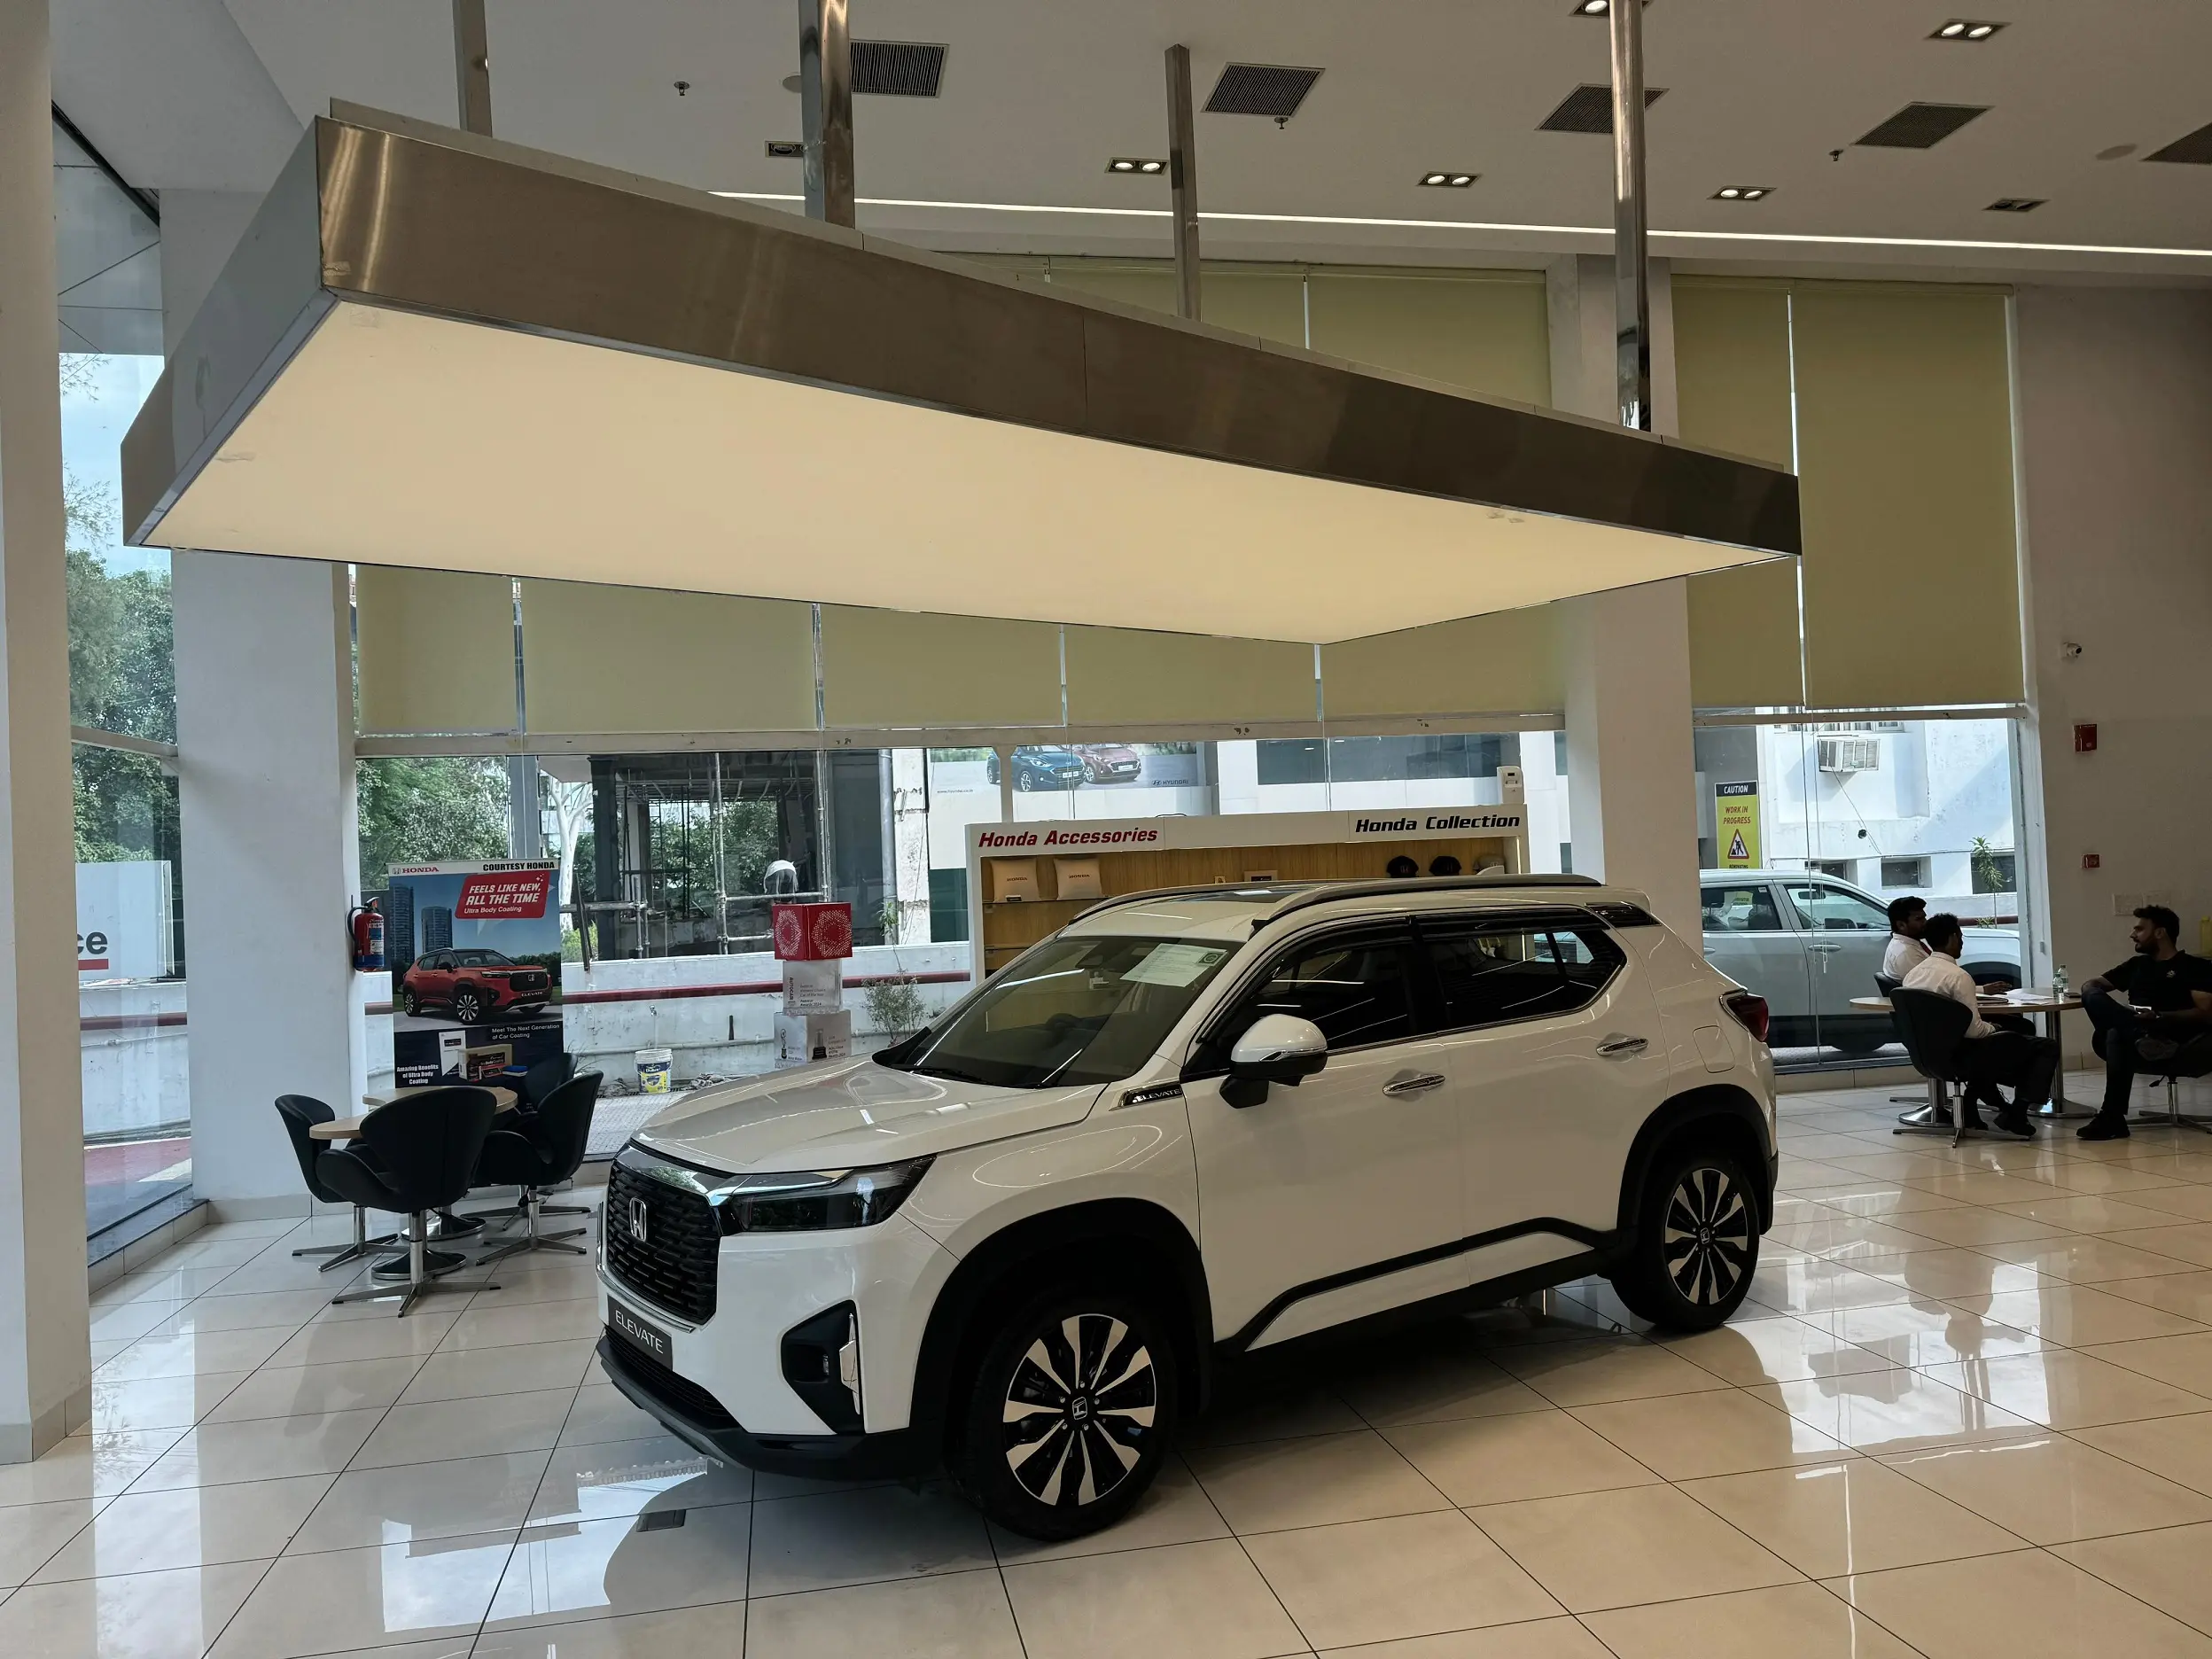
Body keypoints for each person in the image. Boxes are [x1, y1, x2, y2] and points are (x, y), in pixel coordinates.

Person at [1902, 913, 2057, 1137]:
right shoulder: (1958, 976)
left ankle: (1978, 1103)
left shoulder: (1912, 975)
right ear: (1953, 938)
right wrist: (1996, 1028)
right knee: (2044, 1046)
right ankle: (2016, 1113)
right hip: (1961, 1056)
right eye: (1960, 937)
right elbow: (1974, 1031)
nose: (1962, 942)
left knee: (2012, 1040)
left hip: (1928, 1055)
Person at [2076, 905, 2212, 1141]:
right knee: (2092, 995)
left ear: (2160, 932)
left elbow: (2205, 1013)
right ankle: (2138, 1035)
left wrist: (2160, 1016)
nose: (2132, 935)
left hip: (2177, 1037)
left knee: (2117, 1033)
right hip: (2140, 1033)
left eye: (2139, 929)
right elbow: (2093, 984)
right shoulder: (2137, 965)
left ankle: (2112, 1117)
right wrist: (2089, 989)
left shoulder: (2194, 967)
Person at [1882, 896, 1931, 981]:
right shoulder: (1906, 953)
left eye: (1924, 917)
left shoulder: (1908, 944)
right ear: (1901, 925)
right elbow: (1930, 984)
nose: (1925, 922)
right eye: (1919, 919)